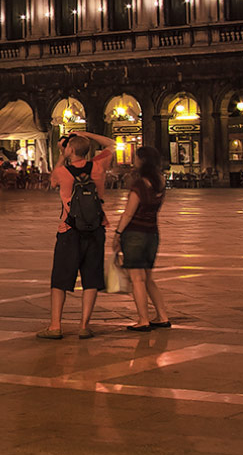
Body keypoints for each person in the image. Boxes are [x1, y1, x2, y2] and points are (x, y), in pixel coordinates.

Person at [38, 131, 116, 340]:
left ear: (71, 150)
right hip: (96, 229)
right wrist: (85, 134)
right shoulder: (98, 167)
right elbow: (110, 142)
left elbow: (52, 182)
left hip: (69, 230)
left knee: (60, 279)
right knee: (91, 278)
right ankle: (83, 325)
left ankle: (55, 326)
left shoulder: (63, 172)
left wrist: (63, 155)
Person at [113, 146, 171, 331]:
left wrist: (117, 233)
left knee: (137, 279)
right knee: (148, 278)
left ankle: (143, 320)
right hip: (152, 234)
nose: (134, 161)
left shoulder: (139, 185)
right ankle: (162, 316)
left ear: (143, 161)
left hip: (135, 234)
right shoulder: (160, 182)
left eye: (137, 158)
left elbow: (129, 213)